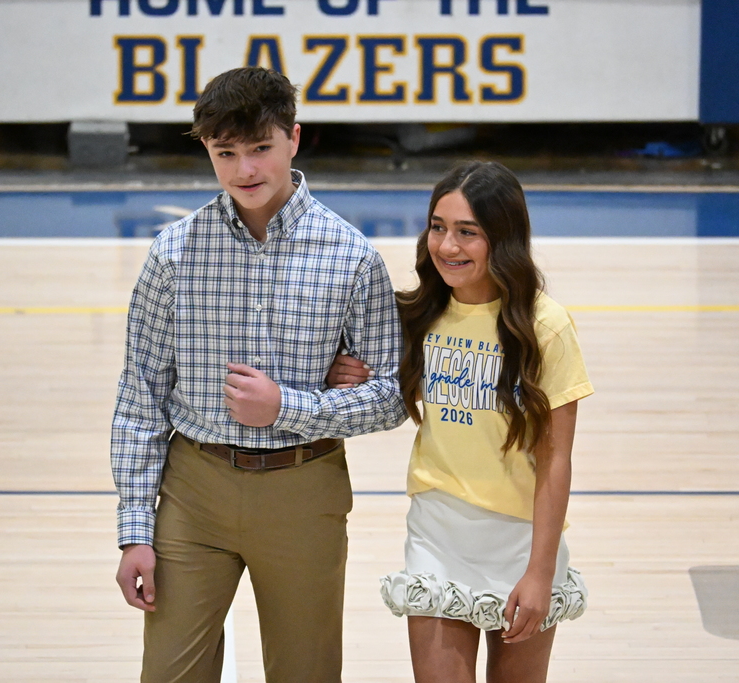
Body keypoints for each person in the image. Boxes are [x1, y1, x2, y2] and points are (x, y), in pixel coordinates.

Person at [111, 66, 406, 683]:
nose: (245, 169)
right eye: (226, 153)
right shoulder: (172, 253)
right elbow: (139, 400)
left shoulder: (350, 255)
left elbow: (393, 396)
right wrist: (134, 530)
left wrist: (289, 407)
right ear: (207, 152)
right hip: (192, 491)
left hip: (304, 490)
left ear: (294, 139)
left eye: (260, 149)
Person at [328, 161, 593, 683]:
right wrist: (357, 372)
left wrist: (540, 573)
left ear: (504, 238)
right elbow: (378, 379)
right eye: (438, 227)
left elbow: (556, 458)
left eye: (468, 233)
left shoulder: (546, 327)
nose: (447, 246)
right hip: (438, 533)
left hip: (522, 540)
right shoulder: (416, 315)